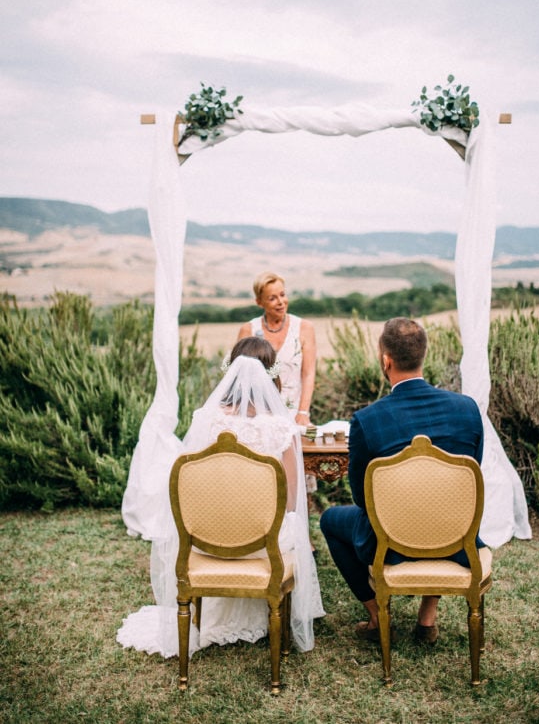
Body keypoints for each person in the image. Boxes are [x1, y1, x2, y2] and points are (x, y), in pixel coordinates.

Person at [117, 336, 324, 658]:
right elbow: (292, 500)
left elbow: (189, 487)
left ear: (230, 373)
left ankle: (209, 611)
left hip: (206, 538)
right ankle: (277, 612)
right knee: (293, 527)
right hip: (263, 544)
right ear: (272, 376)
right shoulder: (282, 430)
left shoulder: (206, 420)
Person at [320, 317, 484, 645]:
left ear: (386, 360)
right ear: (424, 355)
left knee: (329, 520)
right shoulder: (467, 409)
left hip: (390, 544)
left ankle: (377, 616)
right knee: (442, 507)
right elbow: (468, 479)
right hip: (455, 537)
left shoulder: (367, 421)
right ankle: (427, 619)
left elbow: (360, 497)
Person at [237, 272, 316, 428]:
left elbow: (308, 373)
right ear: (259, 302)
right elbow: (239, 377)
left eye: (282, 295)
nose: (281, 302)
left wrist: (303, 413)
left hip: (293, 414)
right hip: (256, 415)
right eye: (272, 298)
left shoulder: (304, 328)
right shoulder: (248, 330)